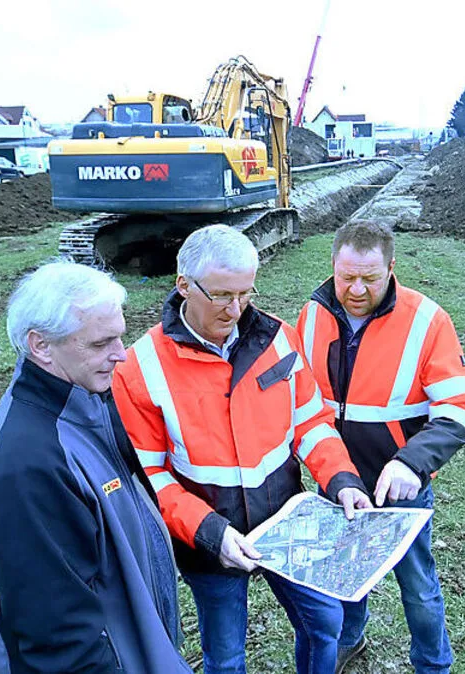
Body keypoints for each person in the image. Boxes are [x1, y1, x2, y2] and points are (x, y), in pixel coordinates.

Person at [112, 224, 373, 674]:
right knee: (226, 655)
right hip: (209, 542)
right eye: (221, 296)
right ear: (183, 286)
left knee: (324, 623)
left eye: (246, 293)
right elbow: (151, 479)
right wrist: (210, 533)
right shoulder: (140, 367)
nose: (235, 309)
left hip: (285, 523)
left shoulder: (278, 339)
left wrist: (342, 479)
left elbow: (310, 422)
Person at [0, 260, 192, 674]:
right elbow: (60, 643)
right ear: (41, 346)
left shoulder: (87, 404)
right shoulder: (25, 470)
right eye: (99, 343)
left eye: (120, 337)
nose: (121, 355)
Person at [296, 221, 465, 674]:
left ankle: (433, 664)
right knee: (345, 574)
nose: (356, 289)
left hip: (400, 487)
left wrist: (411, 464)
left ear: (391, 268)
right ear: (333, 266)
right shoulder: (313, 313)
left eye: (370, 278)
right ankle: (350, 640)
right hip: (337, 481)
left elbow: (461, 409)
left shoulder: (427, 320)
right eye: (346, 277)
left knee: (417, 586)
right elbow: (299, 396)